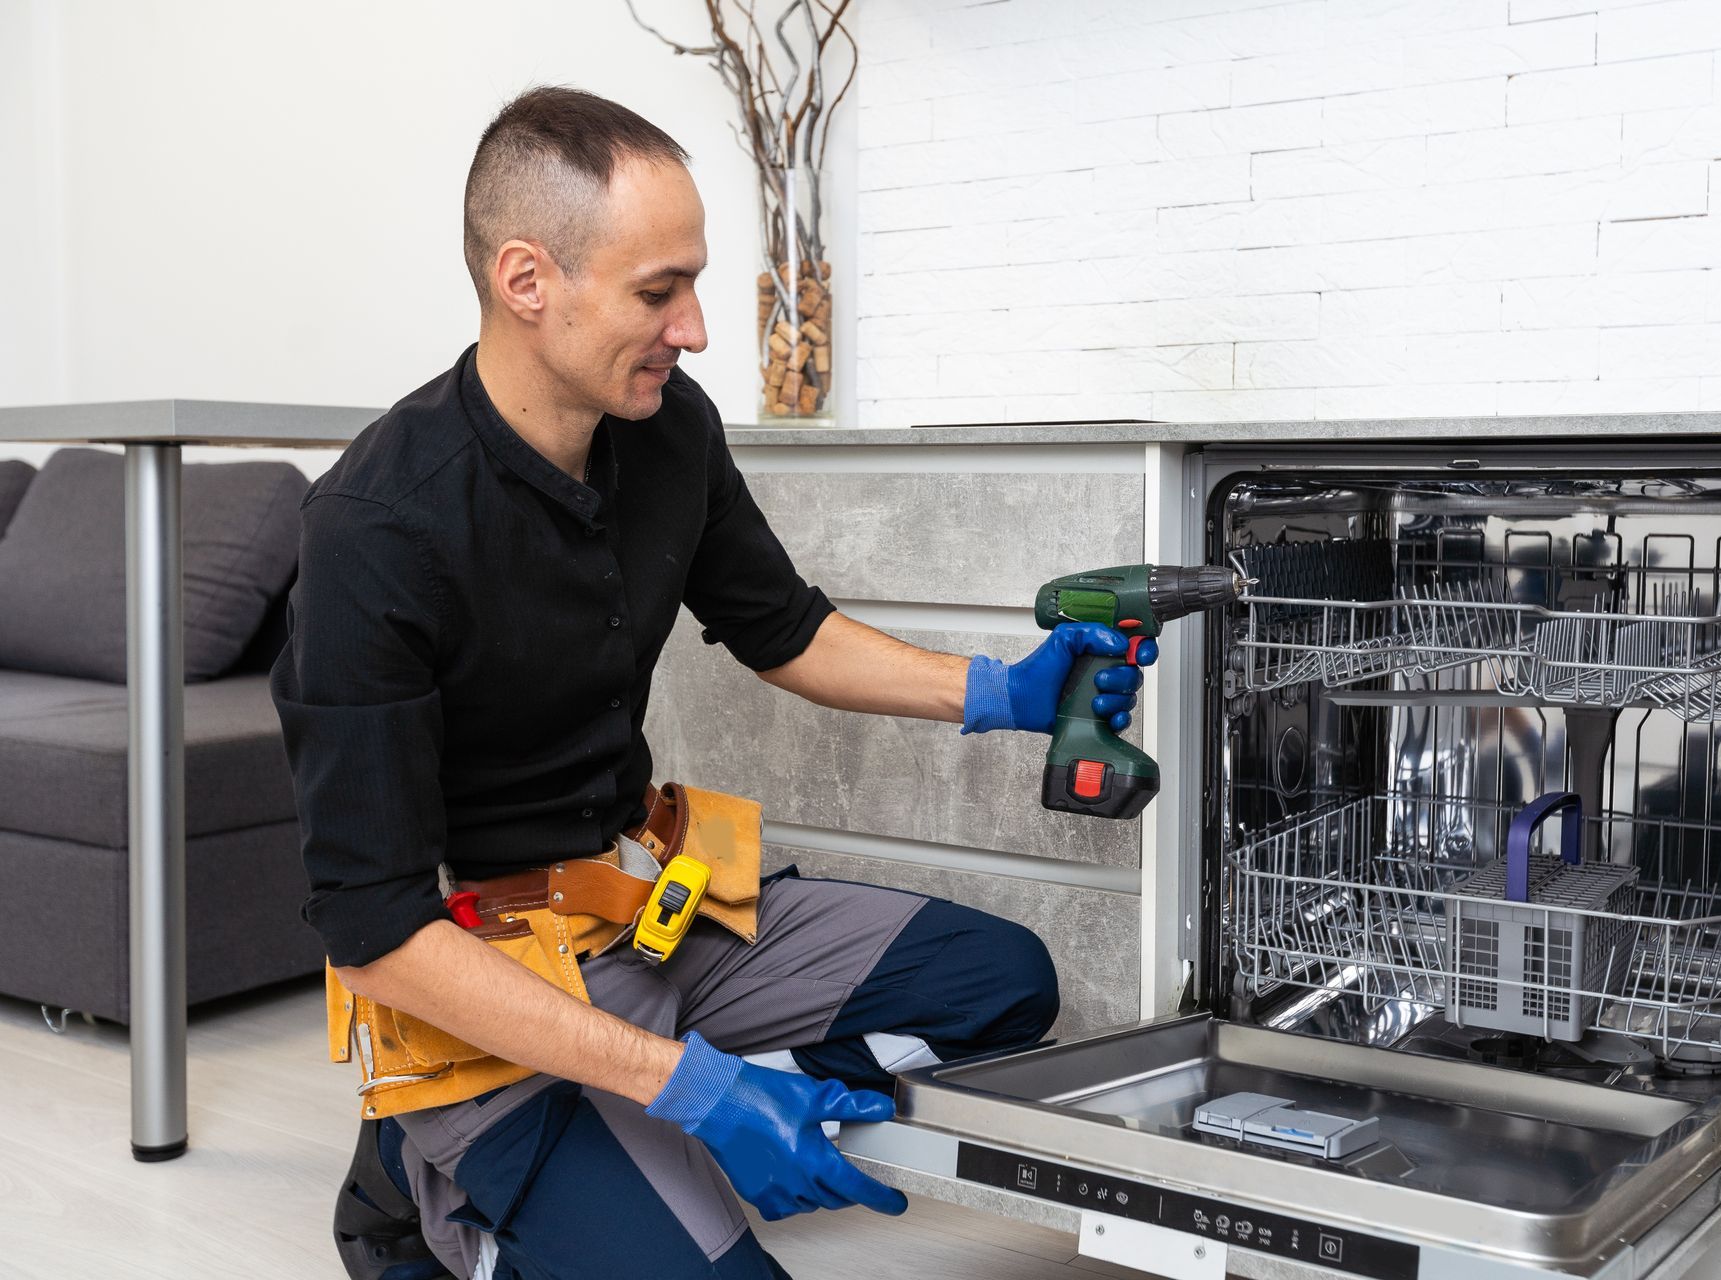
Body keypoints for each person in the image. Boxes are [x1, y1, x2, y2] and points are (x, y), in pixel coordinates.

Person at [270, 86, 1155, 1280]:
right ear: (528, 281)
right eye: (657, 291)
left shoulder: (667, 428)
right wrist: (694, 1088)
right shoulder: (376, 529)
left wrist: (1003, 689)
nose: (694, 328)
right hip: (480, 970)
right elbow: (376, 931)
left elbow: (782, 627)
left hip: (645, 913)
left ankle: (634, 1130)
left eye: (691, 283)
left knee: (1004, 984)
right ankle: (414, 1180)